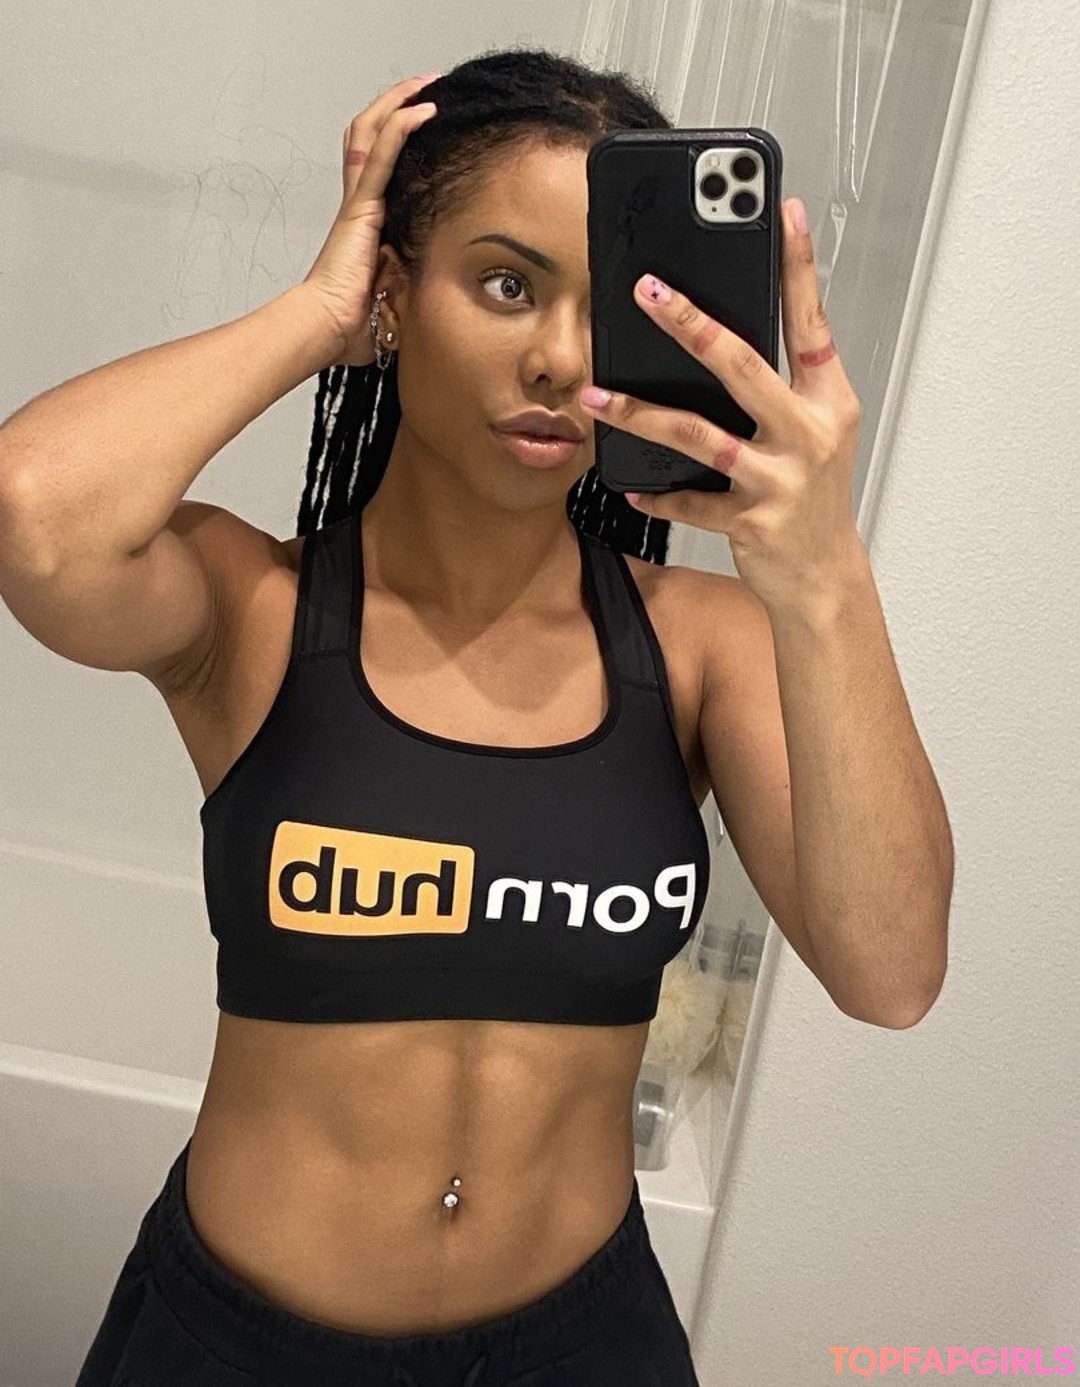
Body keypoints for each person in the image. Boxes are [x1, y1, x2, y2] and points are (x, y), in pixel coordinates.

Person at [0, 44, 952, 1387]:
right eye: (507, 285)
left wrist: (825, 569)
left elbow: (892, 973)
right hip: (239, 1347)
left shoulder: (700, 647)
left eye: (608, 306)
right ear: (397, 292)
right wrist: (318, 314)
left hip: (583, 1344)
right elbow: (36, 515)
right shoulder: (254, 611)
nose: (562, 358)